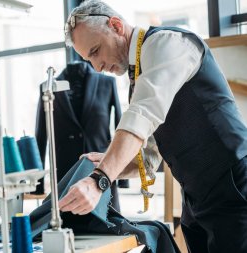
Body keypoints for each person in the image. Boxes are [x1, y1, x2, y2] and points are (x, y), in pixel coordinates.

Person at [58, 1, 247, 252]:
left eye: (95, 51)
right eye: (88, 59)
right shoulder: (139, 75)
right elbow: (148, 159)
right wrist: (109, 164)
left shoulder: (168, 43)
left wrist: (100, 179)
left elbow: (142, 114)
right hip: (197, 201)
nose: (97, 67)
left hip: (233, 190)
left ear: (115, 26)